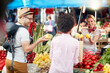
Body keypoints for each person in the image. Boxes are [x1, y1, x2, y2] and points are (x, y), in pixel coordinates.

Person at [5, 8, 49, 73]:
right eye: (29, 19)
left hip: (8, 60)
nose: (31, 21)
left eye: (32, 19)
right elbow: (27, 49)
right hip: (19, 62)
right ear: (22, 17)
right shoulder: (23, 31)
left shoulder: (13, 27)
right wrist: (38, 41)